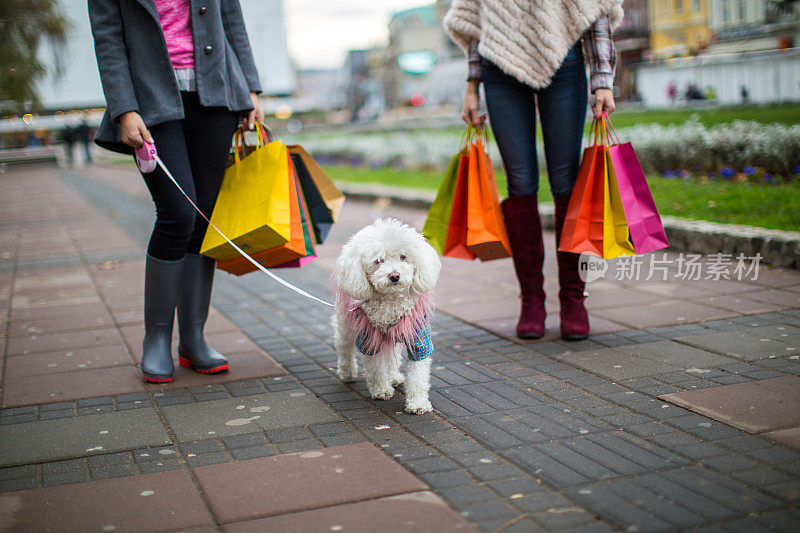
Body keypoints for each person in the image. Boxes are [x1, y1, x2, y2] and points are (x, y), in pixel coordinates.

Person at [89, 0, 264, 383]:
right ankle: (156, 338)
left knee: (203, 217)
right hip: (148, 99)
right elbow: (108, 39)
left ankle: (193, 338)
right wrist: (124, 108)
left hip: (217, 93)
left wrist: (251, 86)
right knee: (177, 214)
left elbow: (231, 19)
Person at [444, 0, 623, 341]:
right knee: (520, 184)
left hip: (565, 63)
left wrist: (602, 78)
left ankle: (573, 299)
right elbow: (474, 20)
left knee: (565, 182)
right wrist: (472, 86)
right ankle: (531, 300)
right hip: (499, 69)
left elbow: (595, 9)